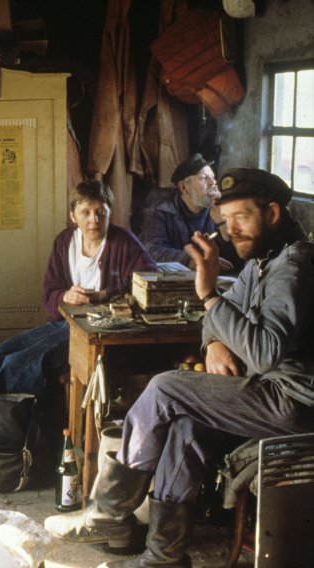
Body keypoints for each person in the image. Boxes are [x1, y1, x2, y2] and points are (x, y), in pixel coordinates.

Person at [44, 168, 314, 568]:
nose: (230, 230)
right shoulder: (263, 258)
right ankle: (163, 558)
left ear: (272, 213)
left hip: (293, 403)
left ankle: (109, 512)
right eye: (226, 220)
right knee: (185, 426)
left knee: (166, 388)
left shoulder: (293, 266)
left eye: (241, 218)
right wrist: (215, 341)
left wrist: (206, 295)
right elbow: (218, 319)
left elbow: (263, 352)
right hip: (266, 392)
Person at [0, 180, 157, 398]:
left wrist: (104, 295)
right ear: (73, 215)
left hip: (98, 332)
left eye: (100, 212)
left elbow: (149, 282)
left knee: (18, 365)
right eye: (85, 212)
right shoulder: (65, 242)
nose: (93, 220)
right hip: (64, 323)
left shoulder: (124, 242)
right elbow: (49, 291)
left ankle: (8, 420)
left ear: (109, 212)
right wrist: (65, 295)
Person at [140, 153, 241, 273]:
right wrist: (192, 260)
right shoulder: (161, 212)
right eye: (204, 178)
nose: (213, 182)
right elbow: (152, 250)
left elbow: (237, 260)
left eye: (213, 177)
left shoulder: (221, 210)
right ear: (184, 187)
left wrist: (222, 223)